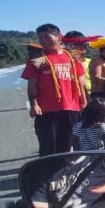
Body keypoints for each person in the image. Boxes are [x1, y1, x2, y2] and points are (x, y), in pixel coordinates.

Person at [22, 23, 88, 157]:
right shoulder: (37, 60)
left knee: (71, 146)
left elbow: (81, 82)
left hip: (71, 109)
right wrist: (34, 104)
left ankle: (67, 175)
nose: (43, 41)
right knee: (49, 148)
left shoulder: (73, 57)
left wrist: (84, 101)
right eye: (40, 38)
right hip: (47, 111)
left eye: (47, 37)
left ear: (59, 37)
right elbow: (32, 84)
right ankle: (48, 176)